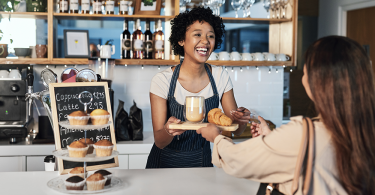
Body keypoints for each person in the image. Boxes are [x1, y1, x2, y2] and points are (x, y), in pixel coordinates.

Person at [197, 36, 375, 194]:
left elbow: (238, 160)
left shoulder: (303, 133)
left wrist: (217, 138)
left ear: (318, 82)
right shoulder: (365, 129)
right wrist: (273, 139)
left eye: (306, 71)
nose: (303, 75)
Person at [146, 7, 250, 168]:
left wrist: (241, 120)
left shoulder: (220, 76)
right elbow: (159, 141)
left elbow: (234, 130)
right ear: (181, 39)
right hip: (163, 166)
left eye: (211, 36)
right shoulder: (162, 81)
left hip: (202, 163)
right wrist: (169, 130)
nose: (206, 41)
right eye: (197, 34)